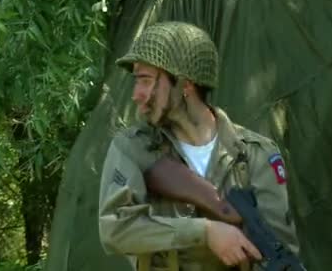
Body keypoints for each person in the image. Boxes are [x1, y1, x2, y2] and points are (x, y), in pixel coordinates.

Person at [98, 21, 299, 271]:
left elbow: (280, 245)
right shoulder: (134, 148)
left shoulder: (256, 153)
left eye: (146, 80)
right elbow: (115, 228)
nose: (136, 94)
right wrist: (205, 231)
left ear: (185, 85)